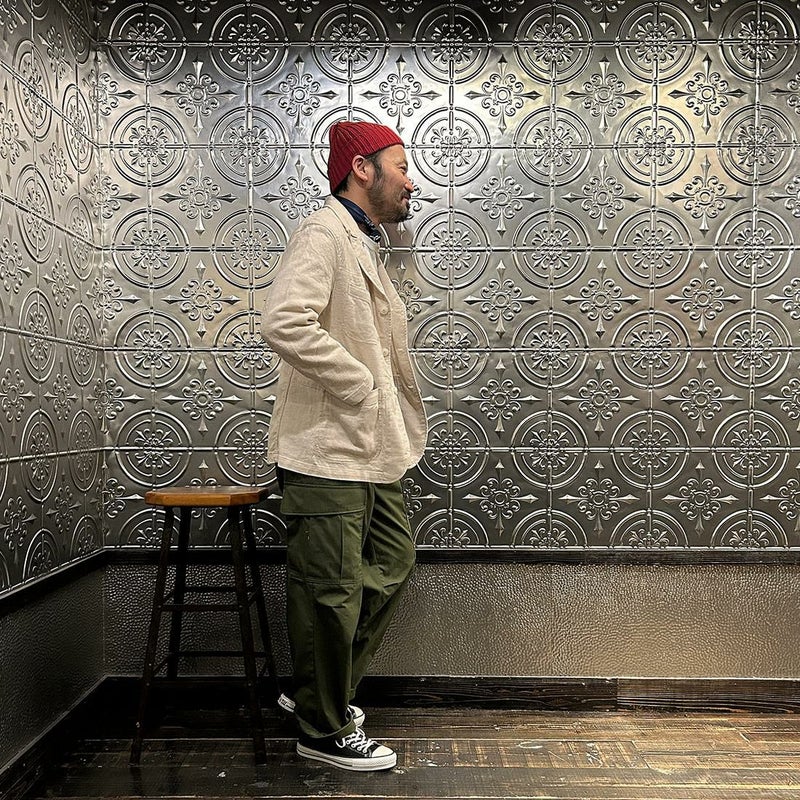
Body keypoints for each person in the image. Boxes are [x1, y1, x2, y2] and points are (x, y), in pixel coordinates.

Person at [260, 120, 428, 771]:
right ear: (362, 167)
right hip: (326, 448)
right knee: (330, 590)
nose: (411, 181)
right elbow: (284, 321)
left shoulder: (363, 242)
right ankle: (323, 729)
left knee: (393, 558)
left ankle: (315, 692)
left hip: (370, 448)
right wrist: (359, 383)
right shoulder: (323, 233)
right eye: (402, 165)